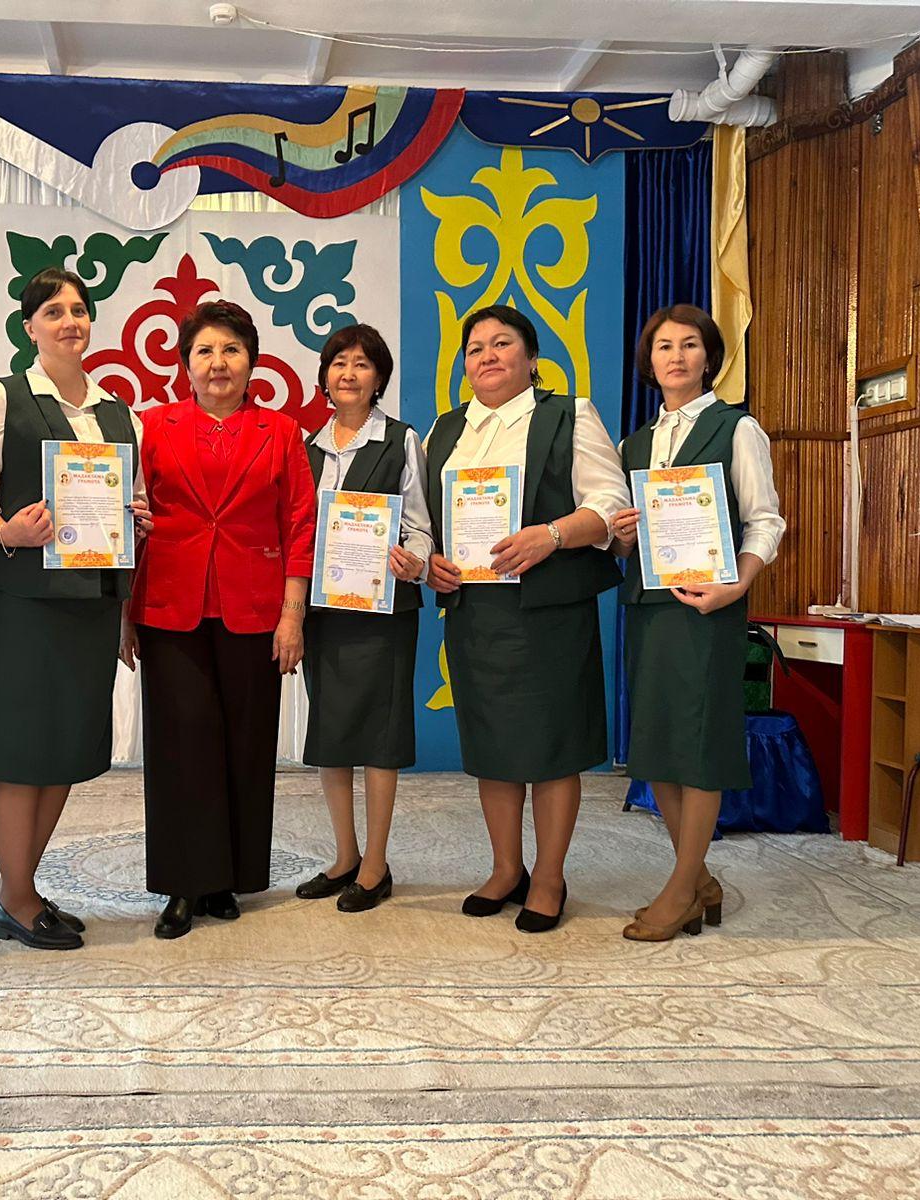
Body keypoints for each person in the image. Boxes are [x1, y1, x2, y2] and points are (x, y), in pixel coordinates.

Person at [424, 305, 629, 933]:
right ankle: (505, 868)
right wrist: (431, 561)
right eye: (475, 347)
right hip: (475, 613)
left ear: (532, 358)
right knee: (494, 747)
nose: (487, 355)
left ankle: (549, 877)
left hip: (548, 612)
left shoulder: (569, 415)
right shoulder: (445, 430)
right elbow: (424, 519)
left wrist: (552, 534)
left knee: (551, 748)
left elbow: (611, 505)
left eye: (502, 343)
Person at [0, 267, 151, 951]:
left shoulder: (119, 413)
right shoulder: (5, 397)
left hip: (90, 604)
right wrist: (5, 530)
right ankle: (17, 900)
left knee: (66, 749)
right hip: (25, 603)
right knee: (23, 752)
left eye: (78, 309)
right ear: (29, 327)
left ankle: (18, 890)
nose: (70, 321)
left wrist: (137, 518)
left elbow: (132, 500)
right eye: (53, 311)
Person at [124, 300, 317, 939]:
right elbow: (130, 521)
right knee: (181, 745)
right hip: (170, 603)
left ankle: (228, 877)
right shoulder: (153, 426)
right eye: (204, 351)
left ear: (252, 361)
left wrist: (292, 615)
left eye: (231, 349)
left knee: (246, 742)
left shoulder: (281, 432)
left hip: (256, 608)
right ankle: (184, 883)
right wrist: (125, 612)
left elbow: (299, 524)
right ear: (185, 364)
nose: (218, 362)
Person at [610, 304, 785, 941]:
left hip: (709, 610)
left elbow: (765, 520)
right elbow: (624, 543)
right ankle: (701, 878)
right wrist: (622, 537)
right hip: (649, 610)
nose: (677, 356)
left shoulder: (737, 428)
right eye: (664, 346)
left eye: (689, 344)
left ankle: (682, 889)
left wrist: (738, 584)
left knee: (700, 745)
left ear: (709, 357)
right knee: (658, 746)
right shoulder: (633, 444)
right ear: (649, 361)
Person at [293, 324, 432, 912]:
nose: (348, 373)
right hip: (323, 611)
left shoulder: (402, 440)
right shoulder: (306, 447)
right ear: (325, 376)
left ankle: (376, 865)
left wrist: (414, 559)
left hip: (383, 612)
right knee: (332, 733)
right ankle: (344, 856)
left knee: (379, 734)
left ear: (379, 378)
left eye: (362, 364)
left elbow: (421, 525)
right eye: (339, 363)